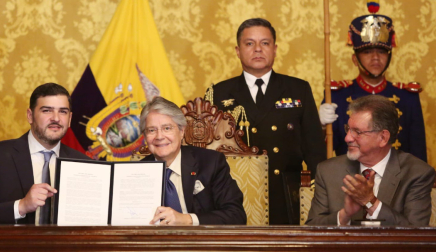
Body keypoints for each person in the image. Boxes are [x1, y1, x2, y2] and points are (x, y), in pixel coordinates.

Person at [206, 18, 326, 225]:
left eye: (265, 43)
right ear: (237, 50)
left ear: (275, 49)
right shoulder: (218, 93)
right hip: (235, 194)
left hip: (286, 194)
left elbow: (314, 149)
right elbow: (208, 153)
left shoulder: (298, 89)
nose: (258, 49)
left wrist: (323, 196)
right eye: (250, 43)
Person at [0, 83, 89, 226]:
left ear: (70, 118)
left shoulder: (83, 163)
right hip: (12, 247)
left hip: (66, 247)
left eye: (63, 112)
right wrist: (21, 206)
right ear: (30, 116)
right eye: (47, 110)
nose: (56, 118)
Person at [319, 5, 427, 162]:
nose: (375, 57)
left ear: (390, 56)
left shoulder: (408, 97)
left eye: (382, 51)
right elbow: (323, 154)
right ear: (355, 59)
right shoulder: (337, 96)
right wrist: (320, 127)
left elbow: (418, 156)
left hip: (398, 182)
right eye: (367, 52)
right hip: (349, 180)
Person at [307, 95, 435, 226]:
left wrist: (370, 202)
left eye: (357, 132)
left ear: (383, 138)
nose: (347, 138)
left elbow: (415, 235)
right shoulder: (328, 170)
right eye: (348, 129)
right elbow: (312, 228)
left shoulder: (416, 173)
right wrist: (345, 215)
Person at [140, 96, 246, 225]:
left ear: (181, 131)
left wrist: (186, 219)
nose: (159, 136)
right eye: (152, 130)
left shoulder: (211, 163)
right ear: (145, 136)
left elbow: (236, 215)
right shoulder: (134, 172)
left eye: (167, 128)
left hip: (201, 242)